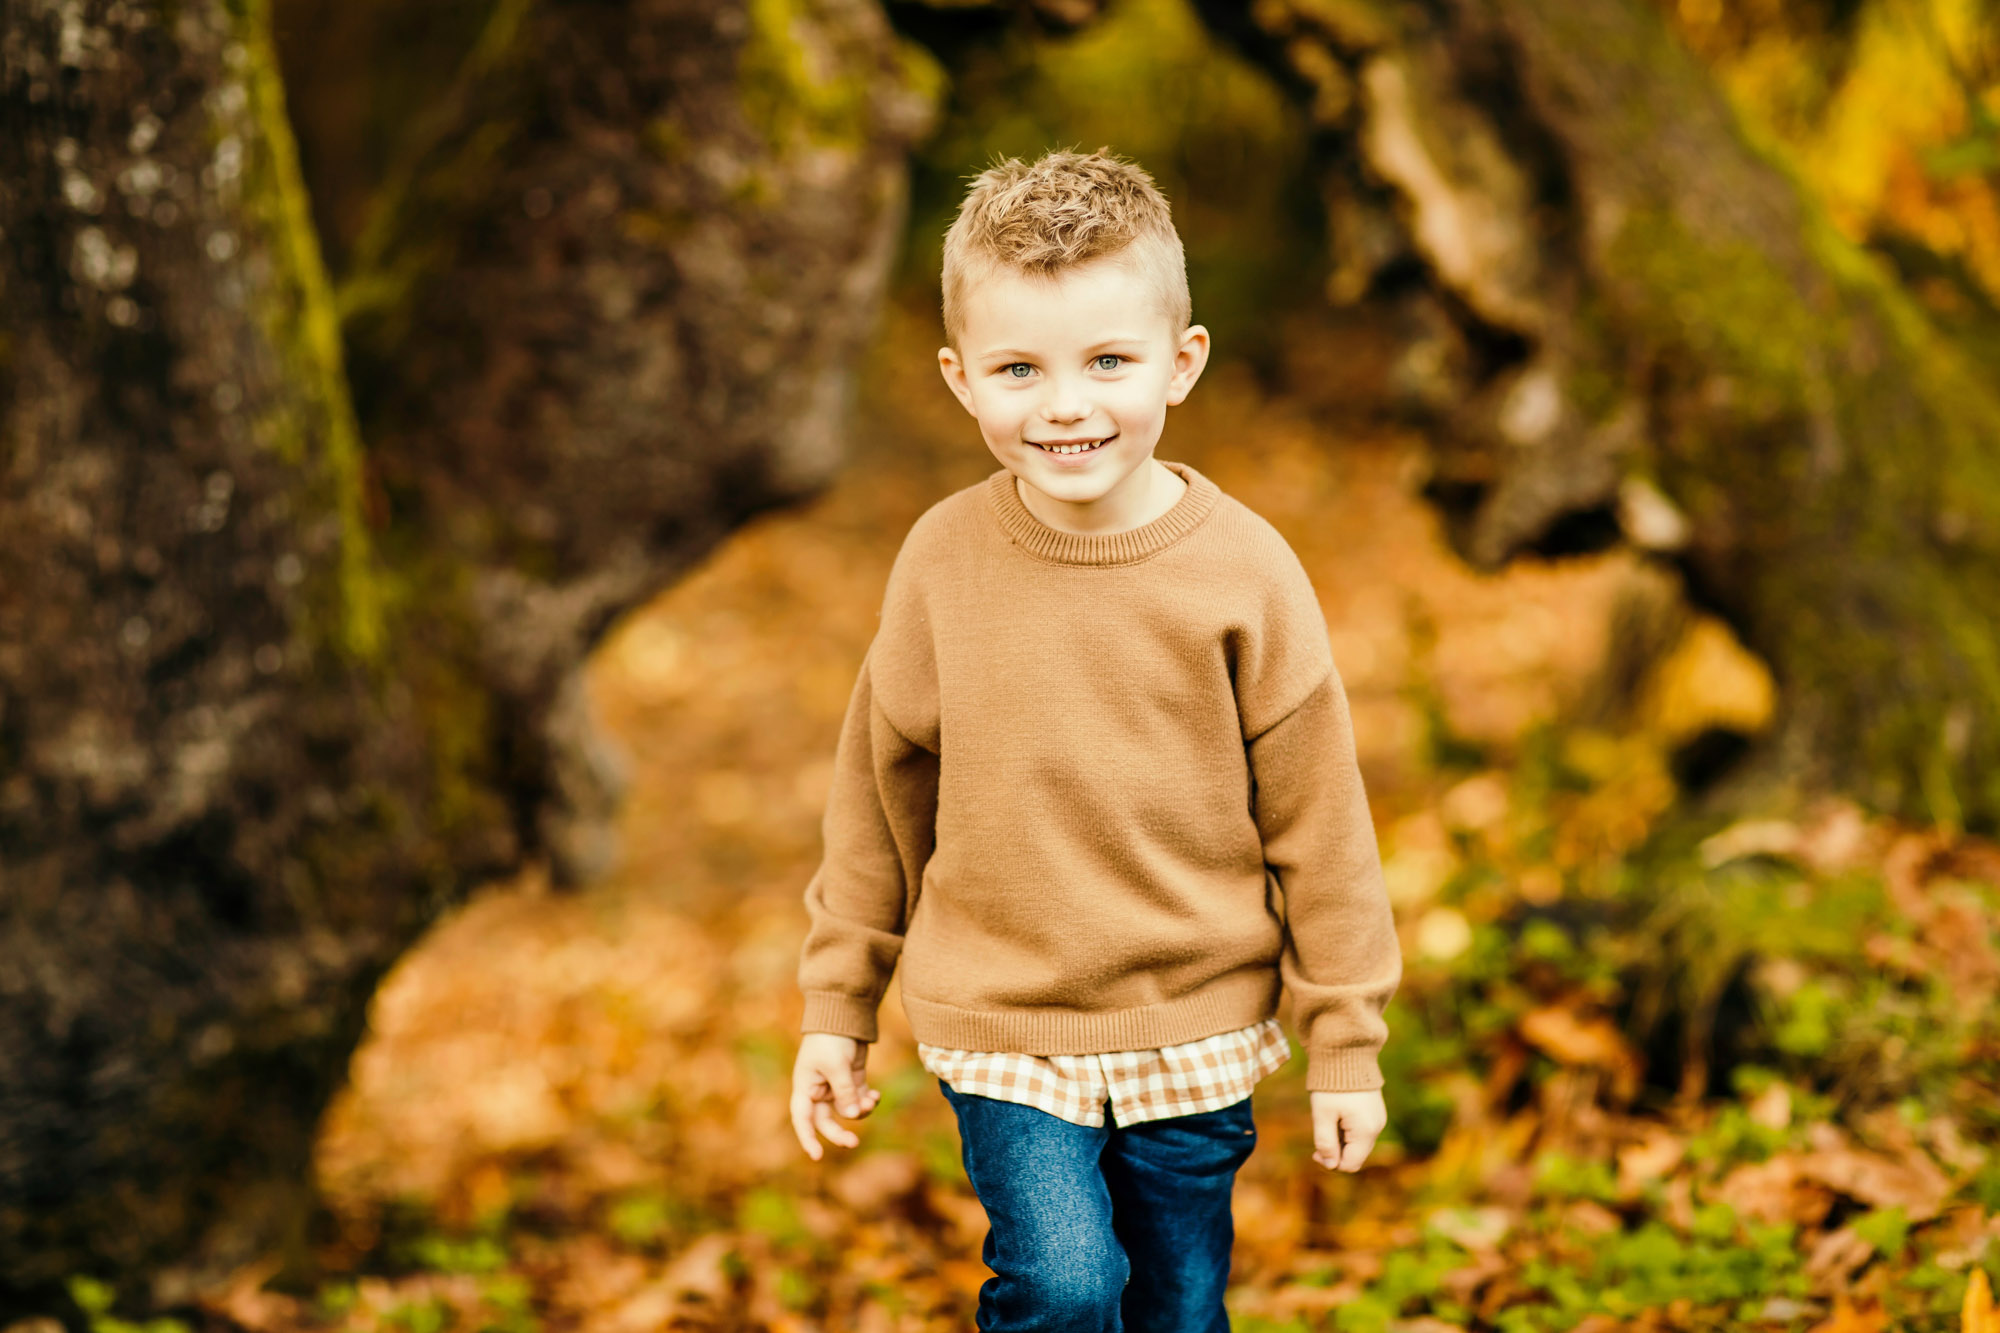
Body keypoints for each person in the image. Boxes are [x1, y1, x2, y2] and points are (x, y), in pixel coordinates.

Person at [788, 146, 1403, 1332]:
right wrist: (836, 1004)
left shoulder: (1244, 571)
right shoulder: (940, 561)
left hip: (1200, 1020)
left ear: (1181, 363)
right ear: (961, 379)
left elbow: (1320, 824)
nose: (1064, 405)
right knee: (1068, 1288)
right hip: (1005, 1019)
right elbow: (878, 794)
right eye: (1019, 367)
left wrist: (1345, 1042)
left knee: (1176, 1307)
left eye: (1107, 362)